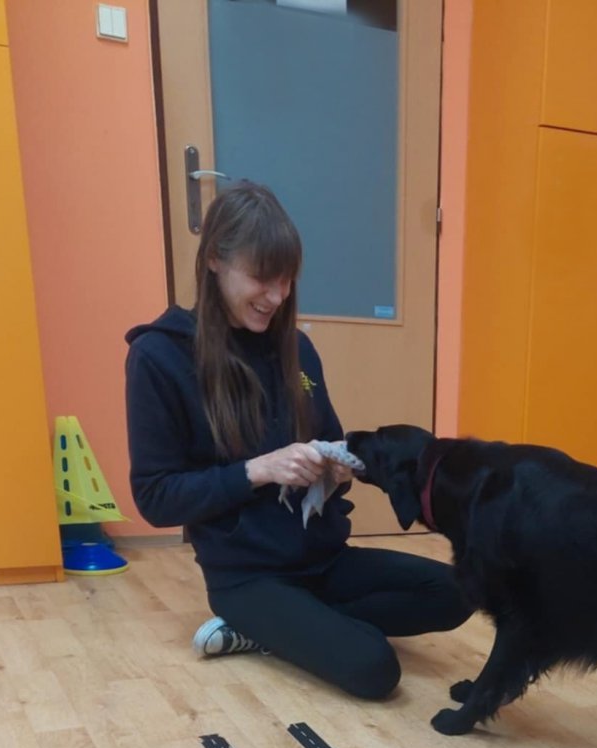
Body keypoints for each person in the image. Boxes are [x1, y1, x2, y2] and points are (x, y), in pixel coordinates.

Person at [124, 180, 471, 699]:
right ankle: (267, 623)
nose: (277, 297)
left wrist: (338, 467)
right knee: (375, 668)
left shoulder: (297, 349)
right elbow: (156, 497)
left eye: (286, 281)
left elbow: (330, 440)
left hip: (323, 557)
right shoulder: (159, 358)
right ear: (215, 260)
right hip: (248, 577)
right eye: (262, 278)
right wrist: (258, 470)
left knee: (459, 591)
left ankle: (279, 630)